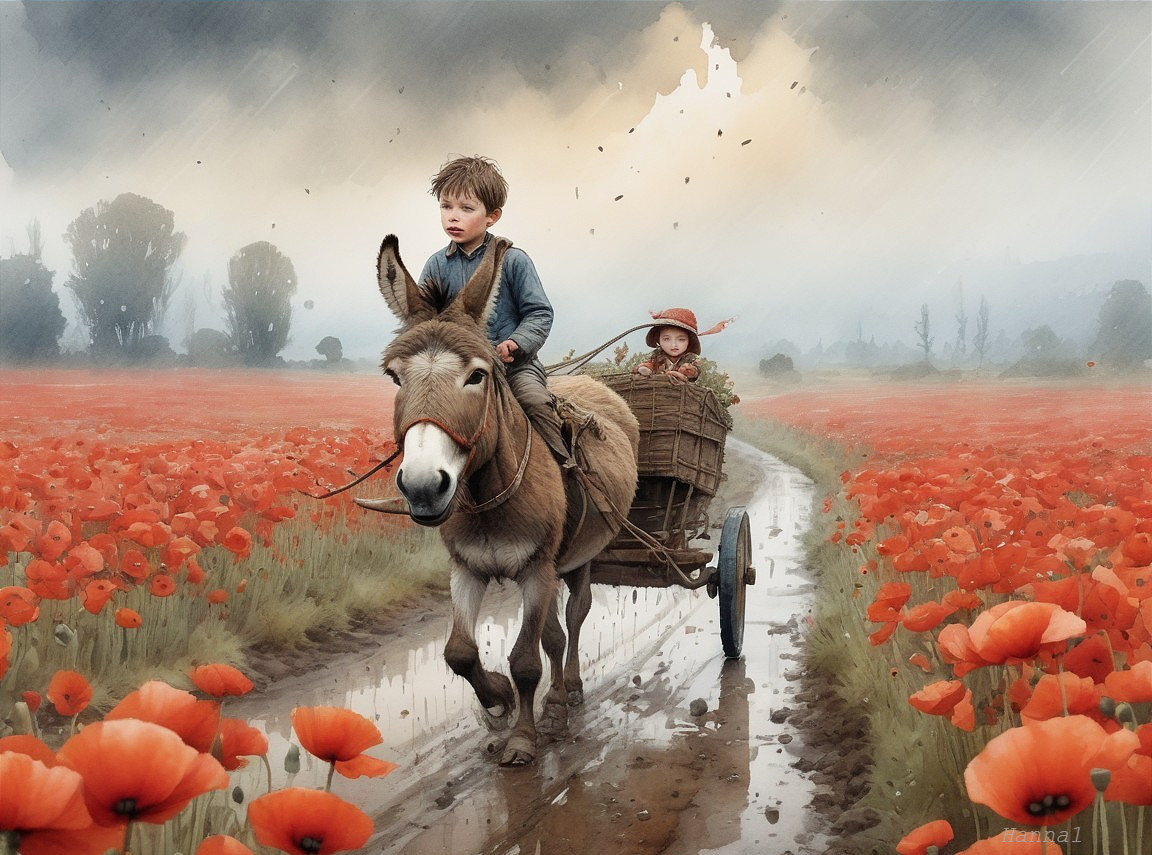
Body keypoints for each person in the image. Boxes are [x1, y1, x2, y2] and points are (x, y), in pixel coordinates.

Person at [418, 155, 575, 467]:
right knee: (419, 411)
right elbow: (423, 322)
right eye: (446, 206)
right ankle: (421, 480)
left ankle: (565, 469)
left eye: (466, 208)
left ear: (492, 215)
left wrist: (515, 343)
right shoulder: (435, 265)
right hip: (458, 374)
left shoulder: (514, 261)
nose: (453, 216)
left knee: (535, 402)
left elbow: (539, 313)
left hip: (514, 368)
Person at [633, 308, 733, 382]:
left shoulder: (691, 358)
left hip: (682, 395)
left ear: (689, 341)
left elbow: (696, 372)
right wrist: (647, 368)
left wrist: (688, 372)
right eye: (666, 339)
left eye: (681, 339)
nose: (673, 345)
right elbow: (649, 363)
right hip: (656, 393)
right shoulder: (656, 355)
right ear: (658, 340)